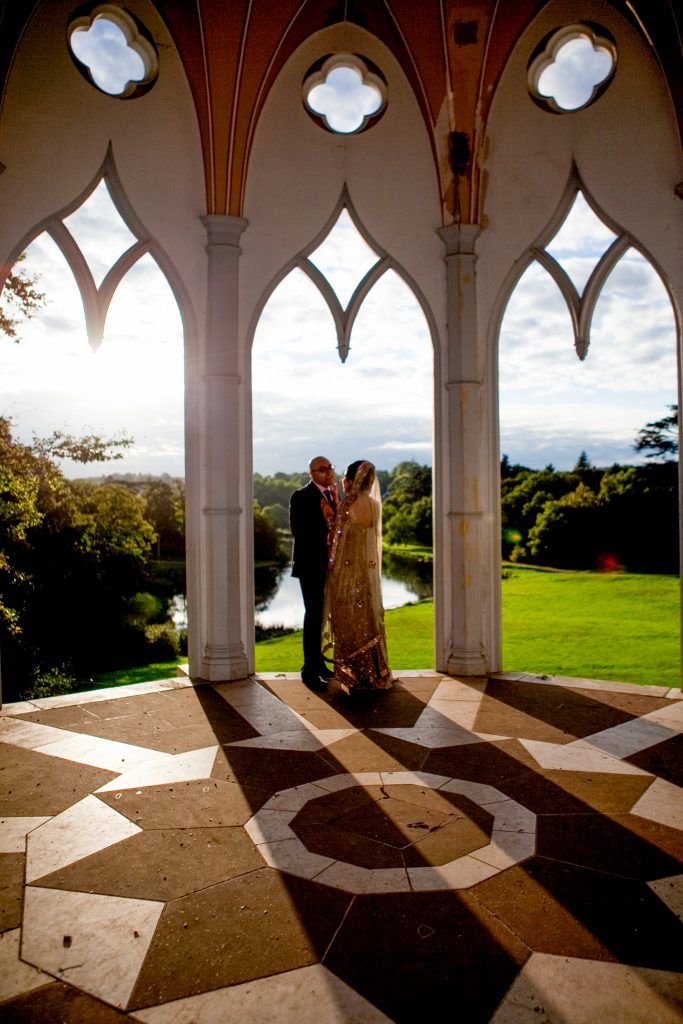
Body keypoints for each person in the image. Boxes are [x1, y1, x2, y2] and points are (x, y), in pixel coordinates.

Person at [322, 460, 393, 694]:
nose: (342, 481)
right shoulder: (375, 505)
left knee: (348, 621)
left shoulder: (347, 506)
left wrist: (330, 517)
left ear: (352, 481)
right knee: (368, 620)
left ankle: (353, 674)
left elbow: (337, 541)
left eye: (345, 477)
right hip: (367, 575)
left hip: (348, 576)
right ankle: (374, 672)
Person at [289, 455, 338, 690]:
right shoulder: (301, 496)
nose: (328, 472)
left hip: (329, 565)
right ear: (312, 473)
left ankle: (319, 664)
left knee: (321, 615)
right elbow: (298, 531)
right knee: (313, 614)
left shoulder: (333, 495)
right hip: (310, 565)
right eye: (322, 469)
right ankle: (309, 671)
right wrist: (326, 521)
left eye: (330, 468)